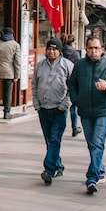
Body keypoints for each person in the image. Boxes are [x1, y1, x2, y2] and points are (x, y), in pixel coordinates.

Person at [67, 36, 106, 195]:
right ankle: (99, 170)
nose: (93, 51)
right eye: (90, 48)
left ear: (102, 50)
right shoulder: (79, 65)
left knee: (97, 142)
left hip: (103, 110)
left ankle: (92, 178)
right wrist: (76, 99)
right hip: (85, 109)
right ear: (85, 49)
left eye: (96, 48)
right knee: (92, 143)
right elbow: (72, 83)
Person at [33, 37, 74, 185]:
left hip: (59, 108)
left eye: (54, 49)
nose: (51, 52)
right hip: (43, 108)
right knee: (49, 140)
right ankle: (58, 165)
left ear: (59, 51)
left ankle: (49, 170)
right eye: (49, 49)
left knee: (55, 139)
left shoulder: (67, 65)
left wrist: (65, 103)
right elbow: (34, 84)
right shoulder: (40, 65)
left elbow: (73, 87)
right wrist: (36, 103)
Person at [0, 29, 23, 120]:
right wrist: (17, 75)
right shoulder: (15, 45)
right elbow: (17, 62)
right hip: (9, 71)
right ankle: (6, 113)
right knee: (7, 93)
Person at [61, 33, 83, 136]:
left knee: (63, 105)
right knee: (73, 106)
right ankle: (74, 127)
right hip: (72, 81)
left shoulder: (60, 51)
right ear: (73, 42)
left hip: (61, 80)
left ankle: (61, 126)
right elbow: (78, 68)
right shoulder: (75, 54)